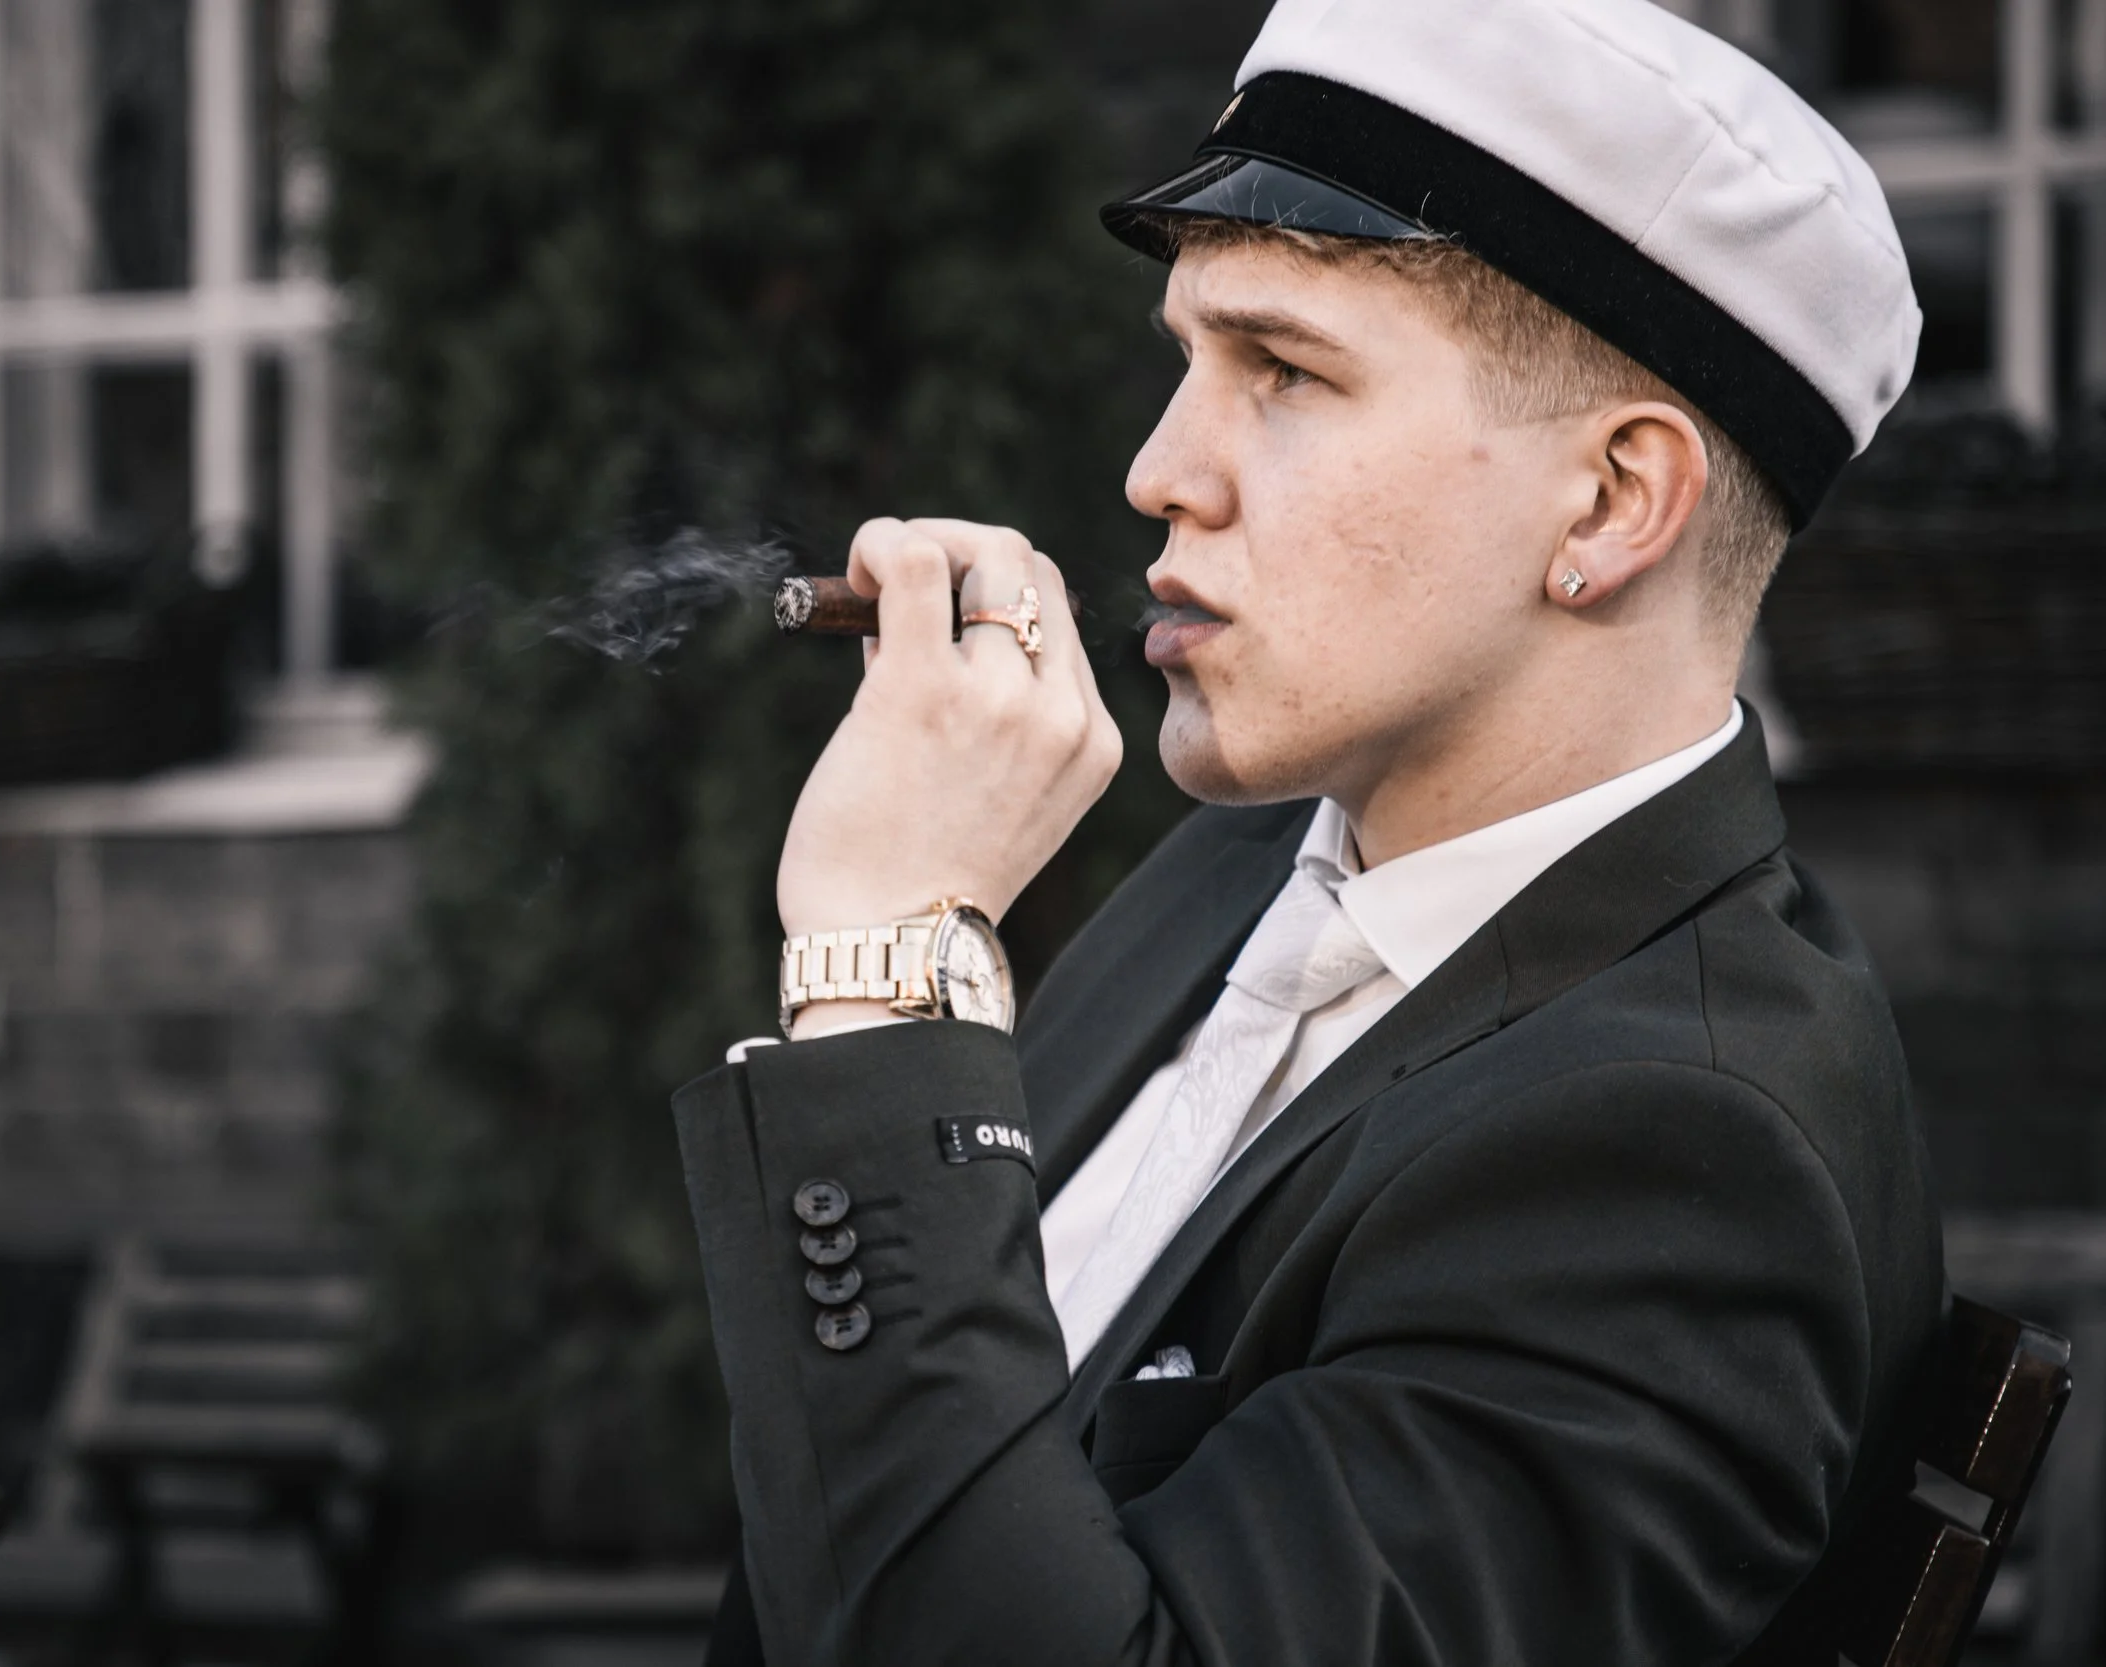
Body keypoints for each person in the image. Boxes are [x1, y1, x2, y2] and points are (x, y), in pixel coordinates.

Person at [672, 0, 1945, 1660]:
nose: (1156, 470)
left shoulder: (1682, 1158)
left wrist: (888, 953)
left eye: (1283, 370)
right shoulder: (1240, 870)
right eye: (1186, 362)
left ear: (1615, 502)